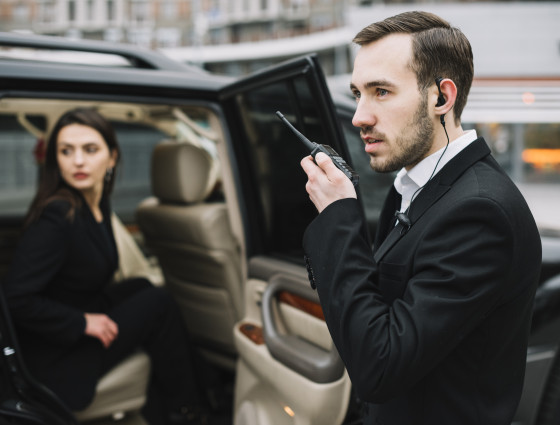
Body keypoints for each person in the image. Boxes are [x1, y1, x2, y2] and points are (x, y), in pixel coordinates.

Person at [300, 11, 542, 425]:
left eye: (381, 92)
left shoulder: (480, 213)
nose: (359, 116)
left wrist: (339, 217)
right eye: (358, 93)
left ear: (442, 98)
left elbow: (380, 366)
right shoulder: (412, 188)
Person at [3, 108, 208, 425]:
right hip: (57, 352)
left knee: (143, 288)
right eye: (66, 151)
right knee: (159, 302)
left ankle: (198, 391)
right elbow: (15, 299)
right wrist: (82, 322)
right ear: (56, 159)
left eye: (90, 149)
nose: (78, 161)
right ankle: (187, 410)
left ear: (112, 158)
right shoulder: (58, 215)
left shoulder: (93, 202)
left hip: (78, 311)